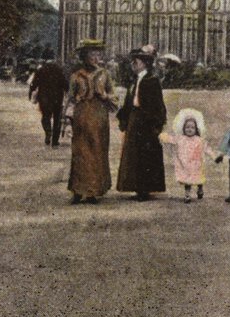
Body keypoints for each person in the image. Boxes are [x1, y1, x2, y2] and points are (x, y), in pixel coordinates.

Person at [67, 39, 116, 204]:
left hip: (99, 116)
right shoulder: (76, 76)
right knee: (80, 152)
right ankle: (78, 189)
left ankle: (93, 190)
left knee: (96, 150)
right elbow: (70, 99)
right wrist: (69, 118)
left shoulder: (104, 75)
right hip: (81, 116)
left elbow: (114, 97)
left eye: (97, 54)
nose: (95, 57)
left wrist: (105, 96)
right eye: (91, 54)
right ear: (84, 56)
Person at [117, 46, 167, 200]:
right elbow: (129, 101)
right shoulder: (134, 81)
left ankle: (145, 188)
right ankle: (136, 186)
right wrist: (124, 117)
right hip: (134, 118)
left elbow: (158, 104)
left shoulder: (151, 81)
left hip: (146, 121)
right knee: (133, 153)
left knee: (146, 154)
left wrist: (157, 124)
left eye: (136, 62)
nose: (134, 64)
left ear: (145, 63)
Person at [160, 108, 212, 203]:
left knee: (198, 179)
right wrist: (163, 136)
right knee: (187, 181)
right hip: (185, 164)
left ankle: (200, 189)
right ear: (183, 128)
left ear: (196, 129)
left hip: (196, 164)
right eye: (187, 127)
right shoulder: (181, 138)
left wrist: (214, 156)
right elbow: (172, 139)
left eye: (192, 128)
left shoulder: (199, 140)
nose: (189, 129)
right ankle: (187, 195)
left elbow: (207, 148)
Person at [29, 59, 67, 148]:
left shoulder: (41, 70)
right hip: (57, 98)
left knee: (45, 117)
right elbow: (65, 84)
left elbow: (34, 83)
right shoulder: (59, 70)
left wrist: (30, 93)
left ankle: (48, 132)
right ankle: (55, 142)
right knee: (57, 120)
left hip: (44, 98)